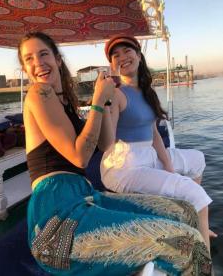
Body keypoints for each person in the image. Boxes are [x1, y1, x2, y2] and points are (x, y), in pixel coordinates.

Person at [18, 31, 212, 276]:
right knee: (189, 243)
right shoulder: (38, 93)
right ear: (25, 68)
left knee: (184, 211)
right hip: (56, 220)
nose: (38, 63)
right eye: (29, 59)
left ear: (58, 59)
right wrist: (98, 99)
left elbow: (105, 144)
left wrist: (106, 102)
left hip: (86, 196)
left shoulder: (64, 101)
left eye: (43, 54)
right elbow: (80, 157)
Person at [100, 34, 216, 252]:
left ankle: (197, 222)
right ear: (112, 65)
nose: (122, 57)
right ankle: (204, 261)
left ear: (138, 56)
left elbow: (154, 135)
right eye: (115, 55)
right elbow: (107, 143)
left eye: (127, 51)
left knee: (198, 160)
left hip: (148, 155)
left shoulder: (147, 92)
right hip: (124, 165)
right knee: (196, 194)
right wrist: (104, 104)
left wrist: (170, 169)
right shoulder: (116, 95)